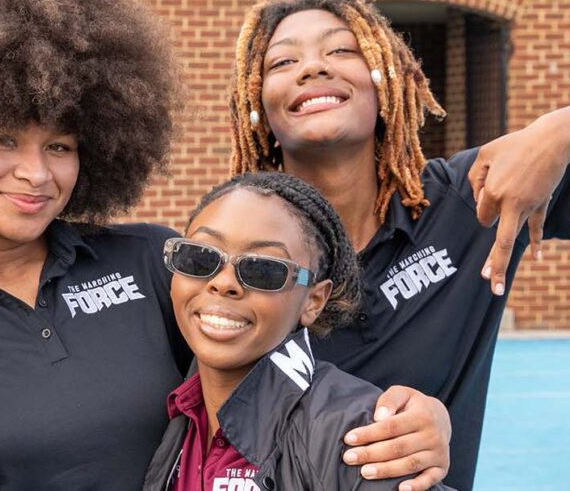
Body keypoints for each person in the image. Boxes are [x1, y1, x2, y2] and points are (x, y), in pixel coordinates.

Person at [0, 0, 450, 491]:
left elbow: (291, 352)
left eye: (60, 146)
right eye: (4, 140)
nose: (36, 173)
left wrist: (412, 418)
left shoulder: (153, 261)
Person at [228, 0, 570, 489]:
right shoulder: (232, 253)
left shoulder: (468, 201)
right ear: (256, 105)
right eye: (283, 61)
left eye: (341, 50)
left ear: (387, 81)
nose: (313, 67)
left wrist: (560, 133)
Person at [144, 171, 452, 491]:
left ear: (313, 301)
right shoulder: (178, 414)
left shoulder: (358, 435)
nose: (223, 282)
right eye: (199, 257)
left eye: (264, 270)